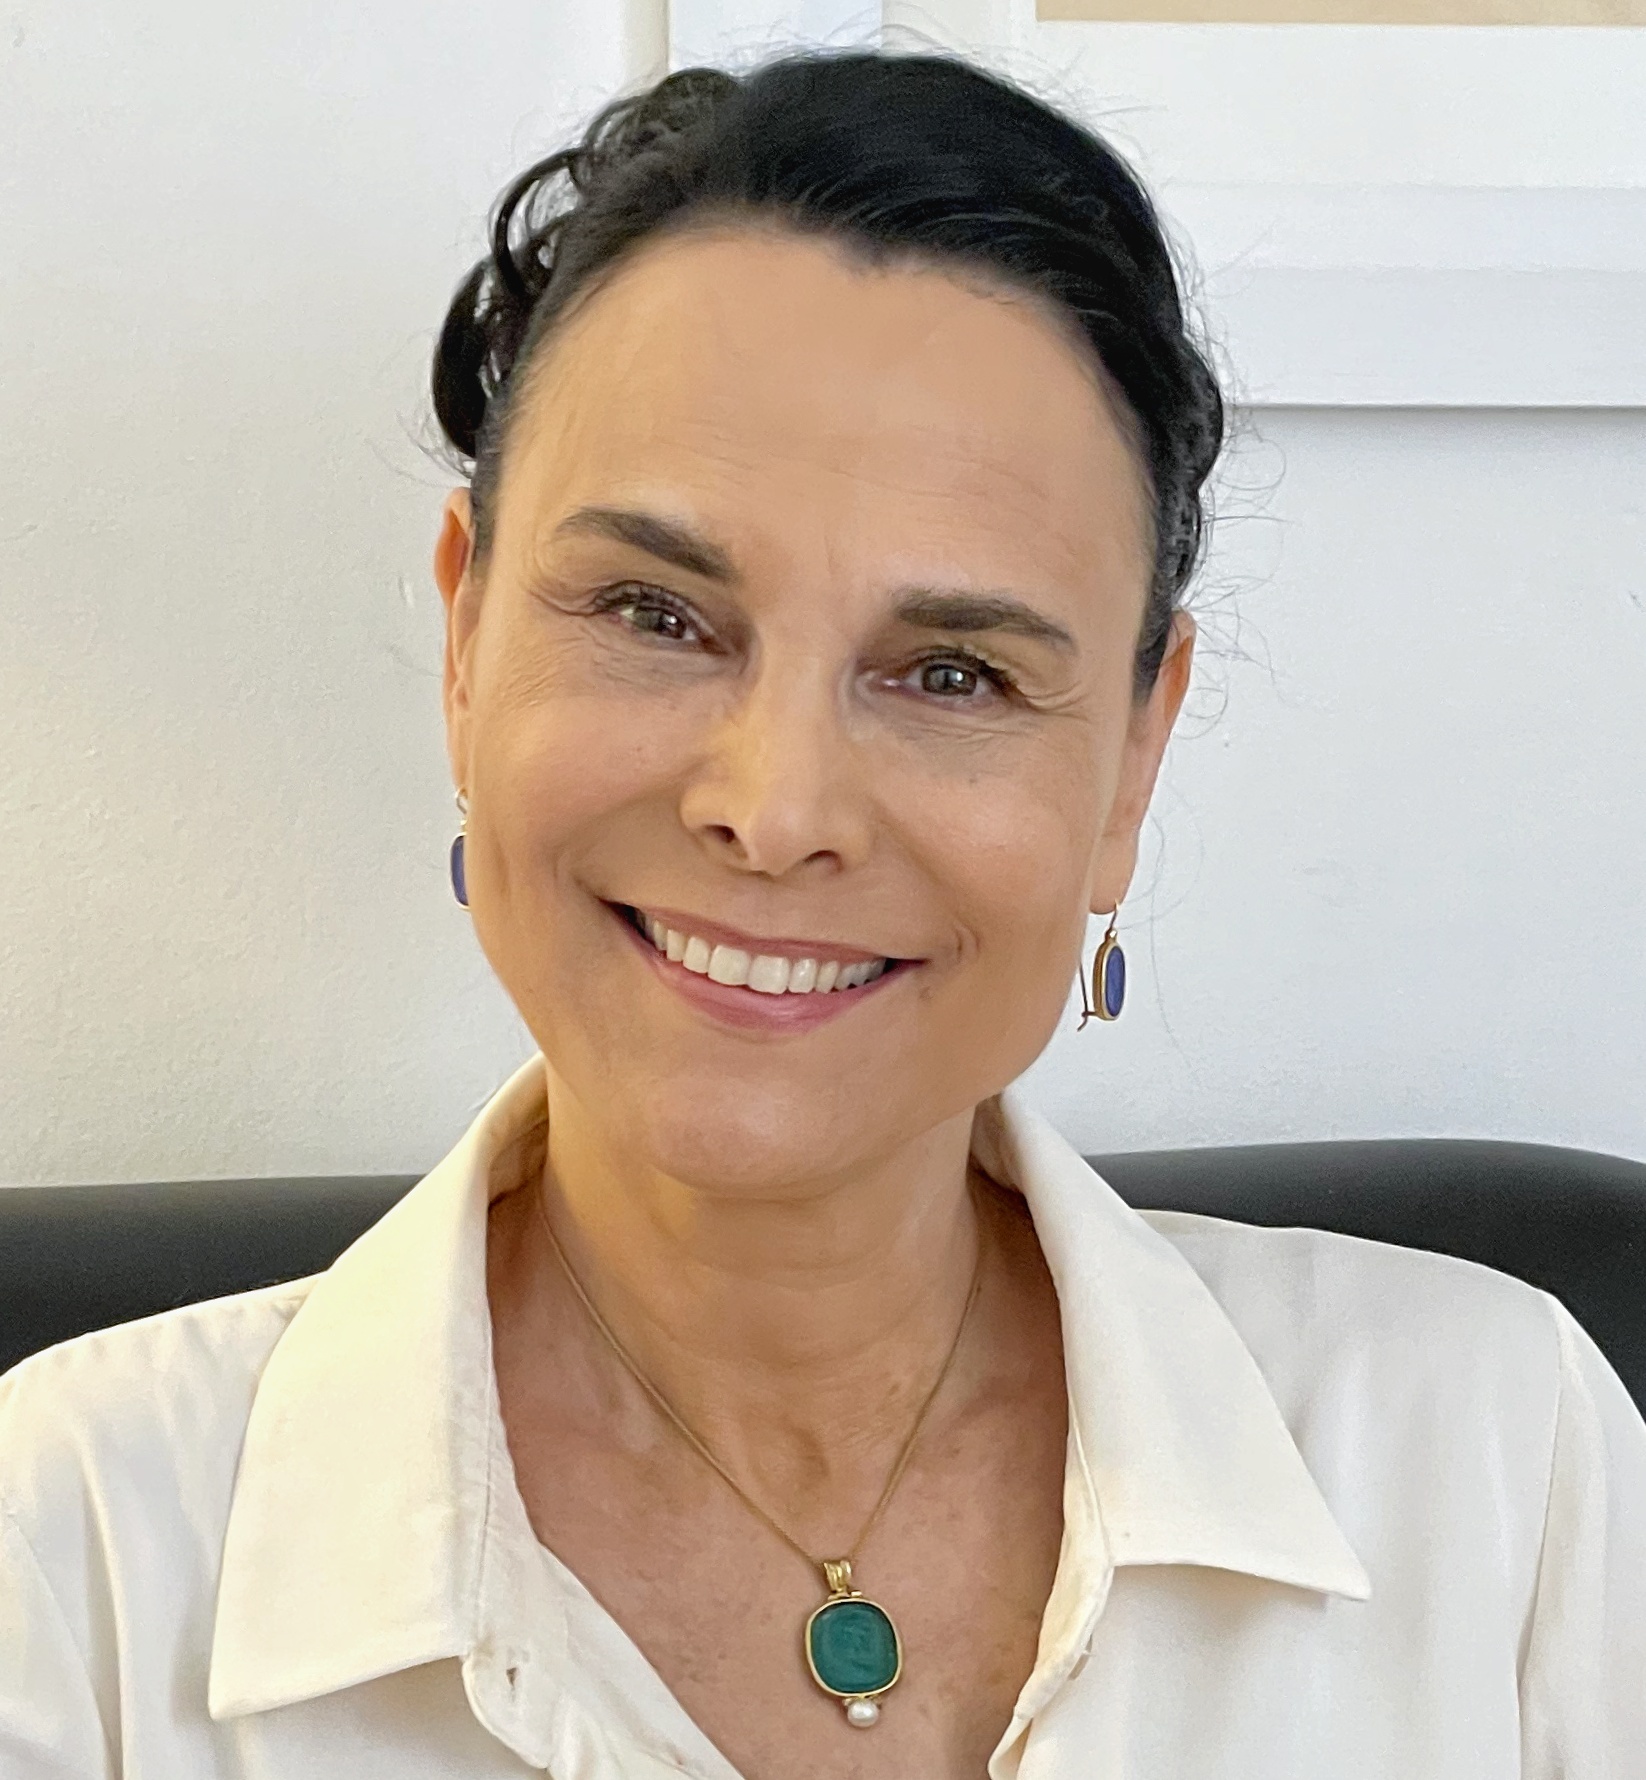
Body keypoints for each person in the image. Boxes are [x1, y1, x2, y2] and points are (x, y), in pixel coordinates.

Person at [1, 46, 1642, 1780]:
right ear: (468, 640)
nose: (774, 811)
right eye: (654, 614)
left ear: (1132, 755)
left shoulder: (1492, 1462)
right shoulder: (74, 1552)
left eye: (953, 671)